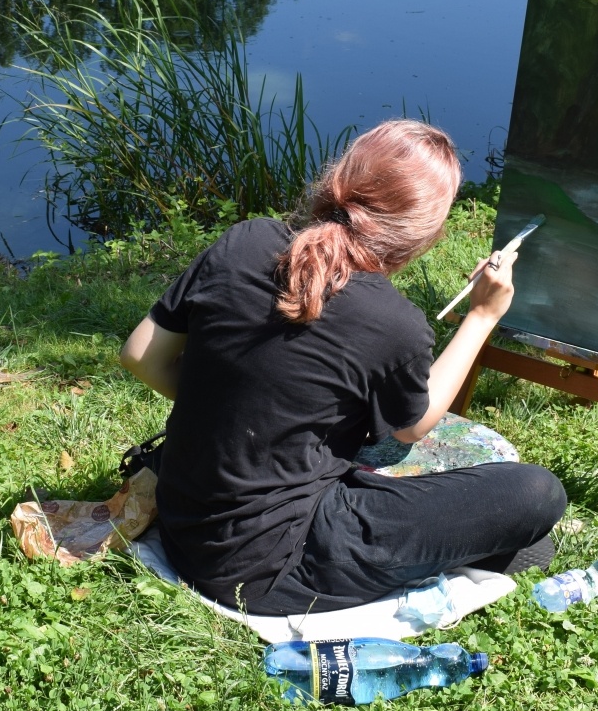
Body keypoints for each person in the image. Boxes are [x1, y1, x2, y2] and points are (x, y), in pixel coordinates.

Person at [119, 119, 566, 615]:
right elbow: (412, 427)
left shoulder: (243, 240)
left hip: (185, 523)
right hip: (266, 568)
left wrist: (234, 410)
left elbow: (140, 353)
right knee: (536, 492)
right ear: (424, 231)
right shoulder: (393, 323)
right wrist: (481, 317)